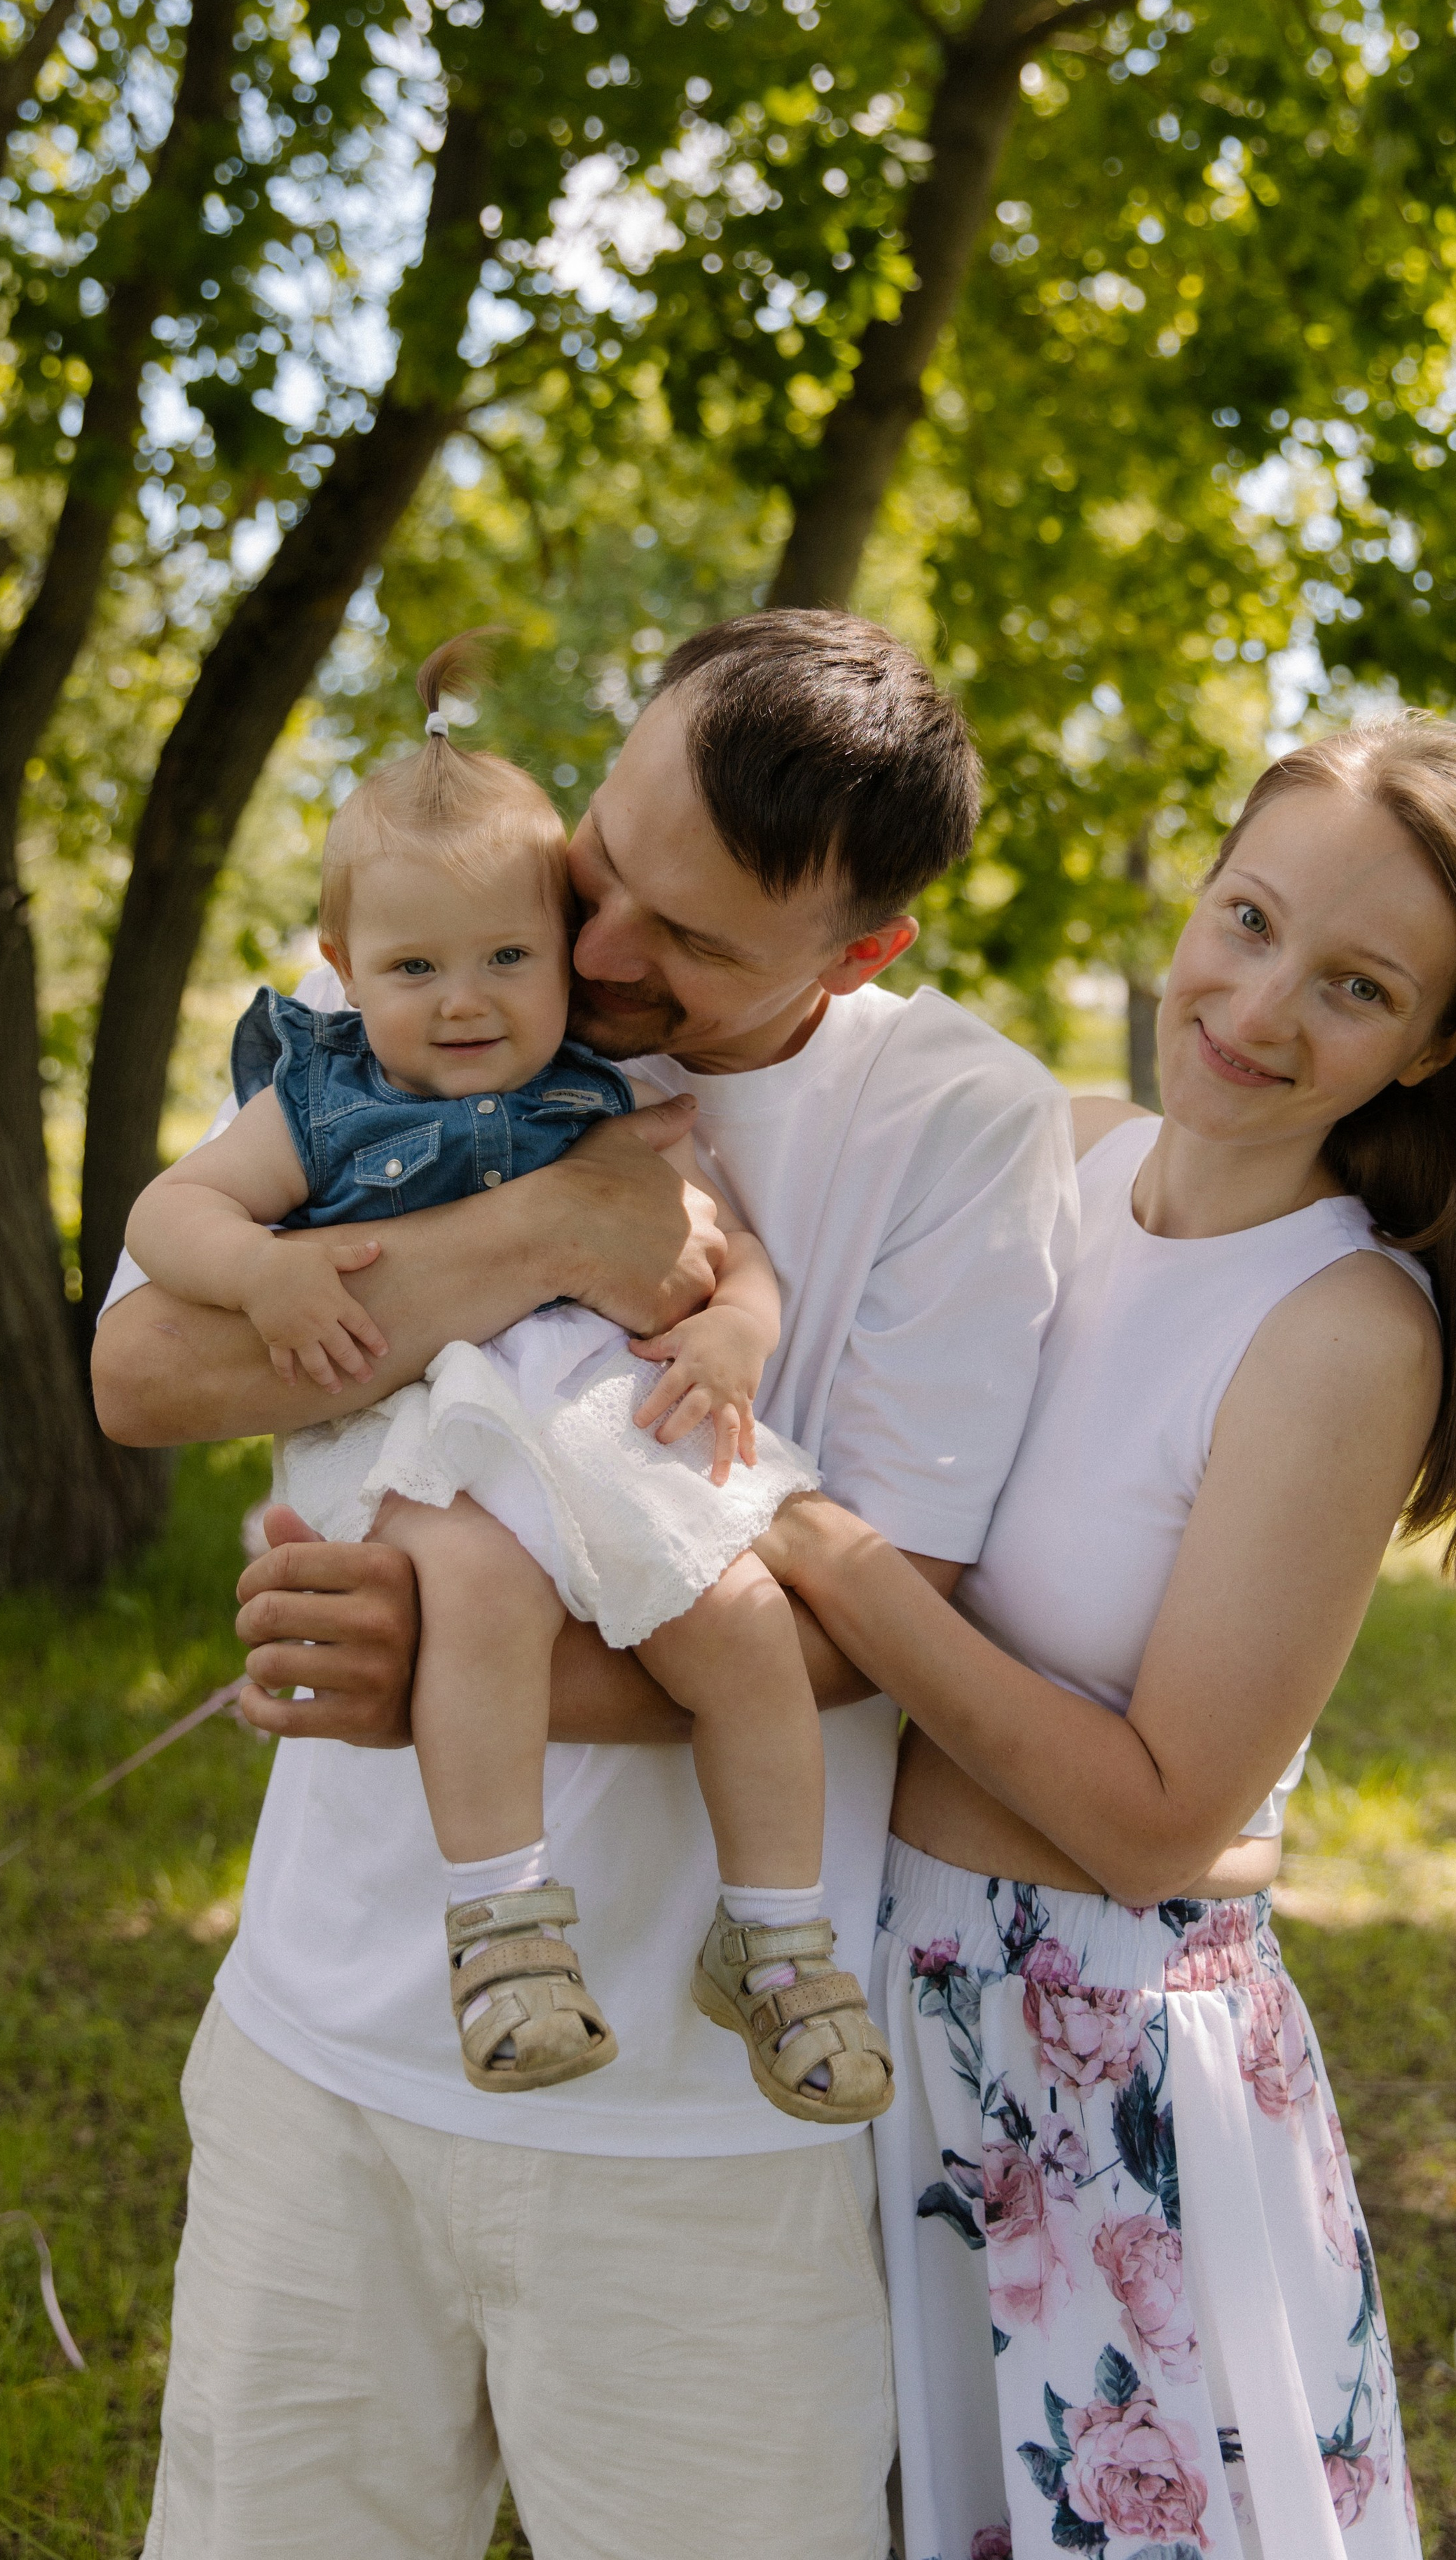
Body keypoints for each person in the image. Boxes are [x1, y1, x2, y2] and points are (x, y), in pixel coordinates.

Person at [92, 608, 1079, 2560]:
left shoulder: (958, 1127)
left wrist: (460, 1663)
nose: (603, 949)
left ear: (859, 952)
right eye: (606, 864)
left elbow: (867, 1626)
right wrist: (555, 1222)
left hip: (702, 2123)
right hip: (328, 2040)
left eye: (694, 940)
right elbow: (146, 1367)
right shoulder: (429, 964)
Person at [750, 714, 1456, 2559]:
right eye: (1247, 918)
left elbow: (1158, 1821)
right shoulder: (1047, 1160)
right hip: (848, 2007)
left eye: (1357, 984)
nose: (1259, 1004)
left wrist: (831, 1558)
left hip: (1084, 2072)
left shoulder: (1339, 1331)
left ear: (1439, 1046)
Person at [123, 636, 891, 2120]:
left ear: (558, 942)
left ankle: (778, 1941)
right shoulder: (324, 1097)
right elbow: (172, 1217)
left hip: (602, 1440)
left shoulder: (609, 1096)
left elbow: (728, 1252)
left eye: (507, 958)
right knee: (473, 1591)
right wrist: (265, 1270)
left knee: (739, 1620)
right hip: (426, 1438)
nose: (465, 1001)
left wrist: (737, 1325)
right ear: (346, 973)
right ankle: (502, 1928)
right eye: (415, 969)